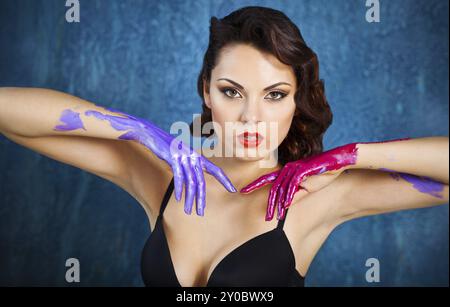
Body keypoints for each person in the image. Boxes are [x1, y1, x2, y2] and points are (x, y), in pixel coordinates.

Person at [0, 6, 448, 287]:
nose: (252, 117)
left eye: (274, 95)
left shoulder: (319, 196)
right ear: (206, 92)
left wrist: (351, 155)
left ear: (297, 101)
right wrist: (135, 129)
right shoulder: (163, 177)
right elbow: (10, 115)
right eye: (232, 92)